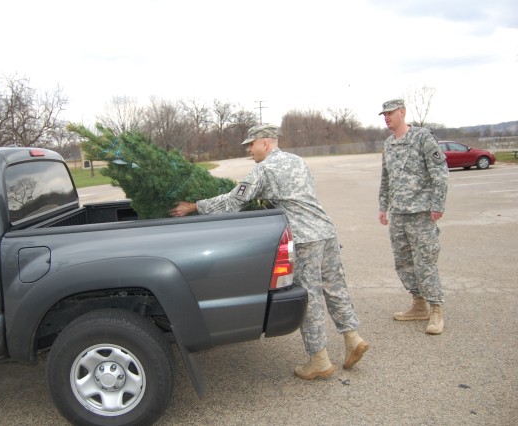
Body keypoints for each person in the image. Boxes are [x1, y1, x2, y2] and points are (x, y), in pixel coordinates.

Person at [170, 124, 369, 379]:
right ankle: (353, 338)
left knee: (311, 297)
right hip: (326, 230)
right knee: (335, 287)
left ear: (265, 143)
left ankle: (319, 360)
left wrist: (194, 206)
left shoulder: (265, 169)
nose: (249, 150)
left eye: (251, 144)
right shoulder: (297, 161)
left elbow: (232, 202)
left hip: (305, 237)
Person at [377, 99, 449, 335]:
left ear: (402, 113)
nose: (386, 117)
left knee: (425, 260)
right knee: (403, 261)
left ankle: (436, 308)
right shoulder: (388, 144)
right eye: (384, 114)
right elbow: (386, 178)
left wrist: (437, 205)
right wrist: (383, 206)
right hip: (398, 212)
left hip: (421, 211)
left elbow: (439, 173)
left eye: (390, 113)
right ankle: (419, 304)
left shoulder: (422, 138)